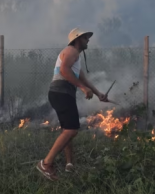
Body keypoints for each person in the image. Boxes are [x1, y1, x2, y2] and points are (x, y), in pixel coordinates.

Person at [36, 28, 108, 181]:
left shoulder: (76, 58)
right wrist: (82, 89)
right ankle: (46, 164)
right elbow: (63, 70)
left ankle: (69, 163)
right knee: (72, 130)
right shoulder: (71, 51)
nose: (88, 40)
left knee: (67, 129)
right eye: (85, 38)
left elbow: (84, 79)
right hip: (61, 92)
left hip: (61, 93)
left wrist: (98, 93)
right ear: (77, 39)